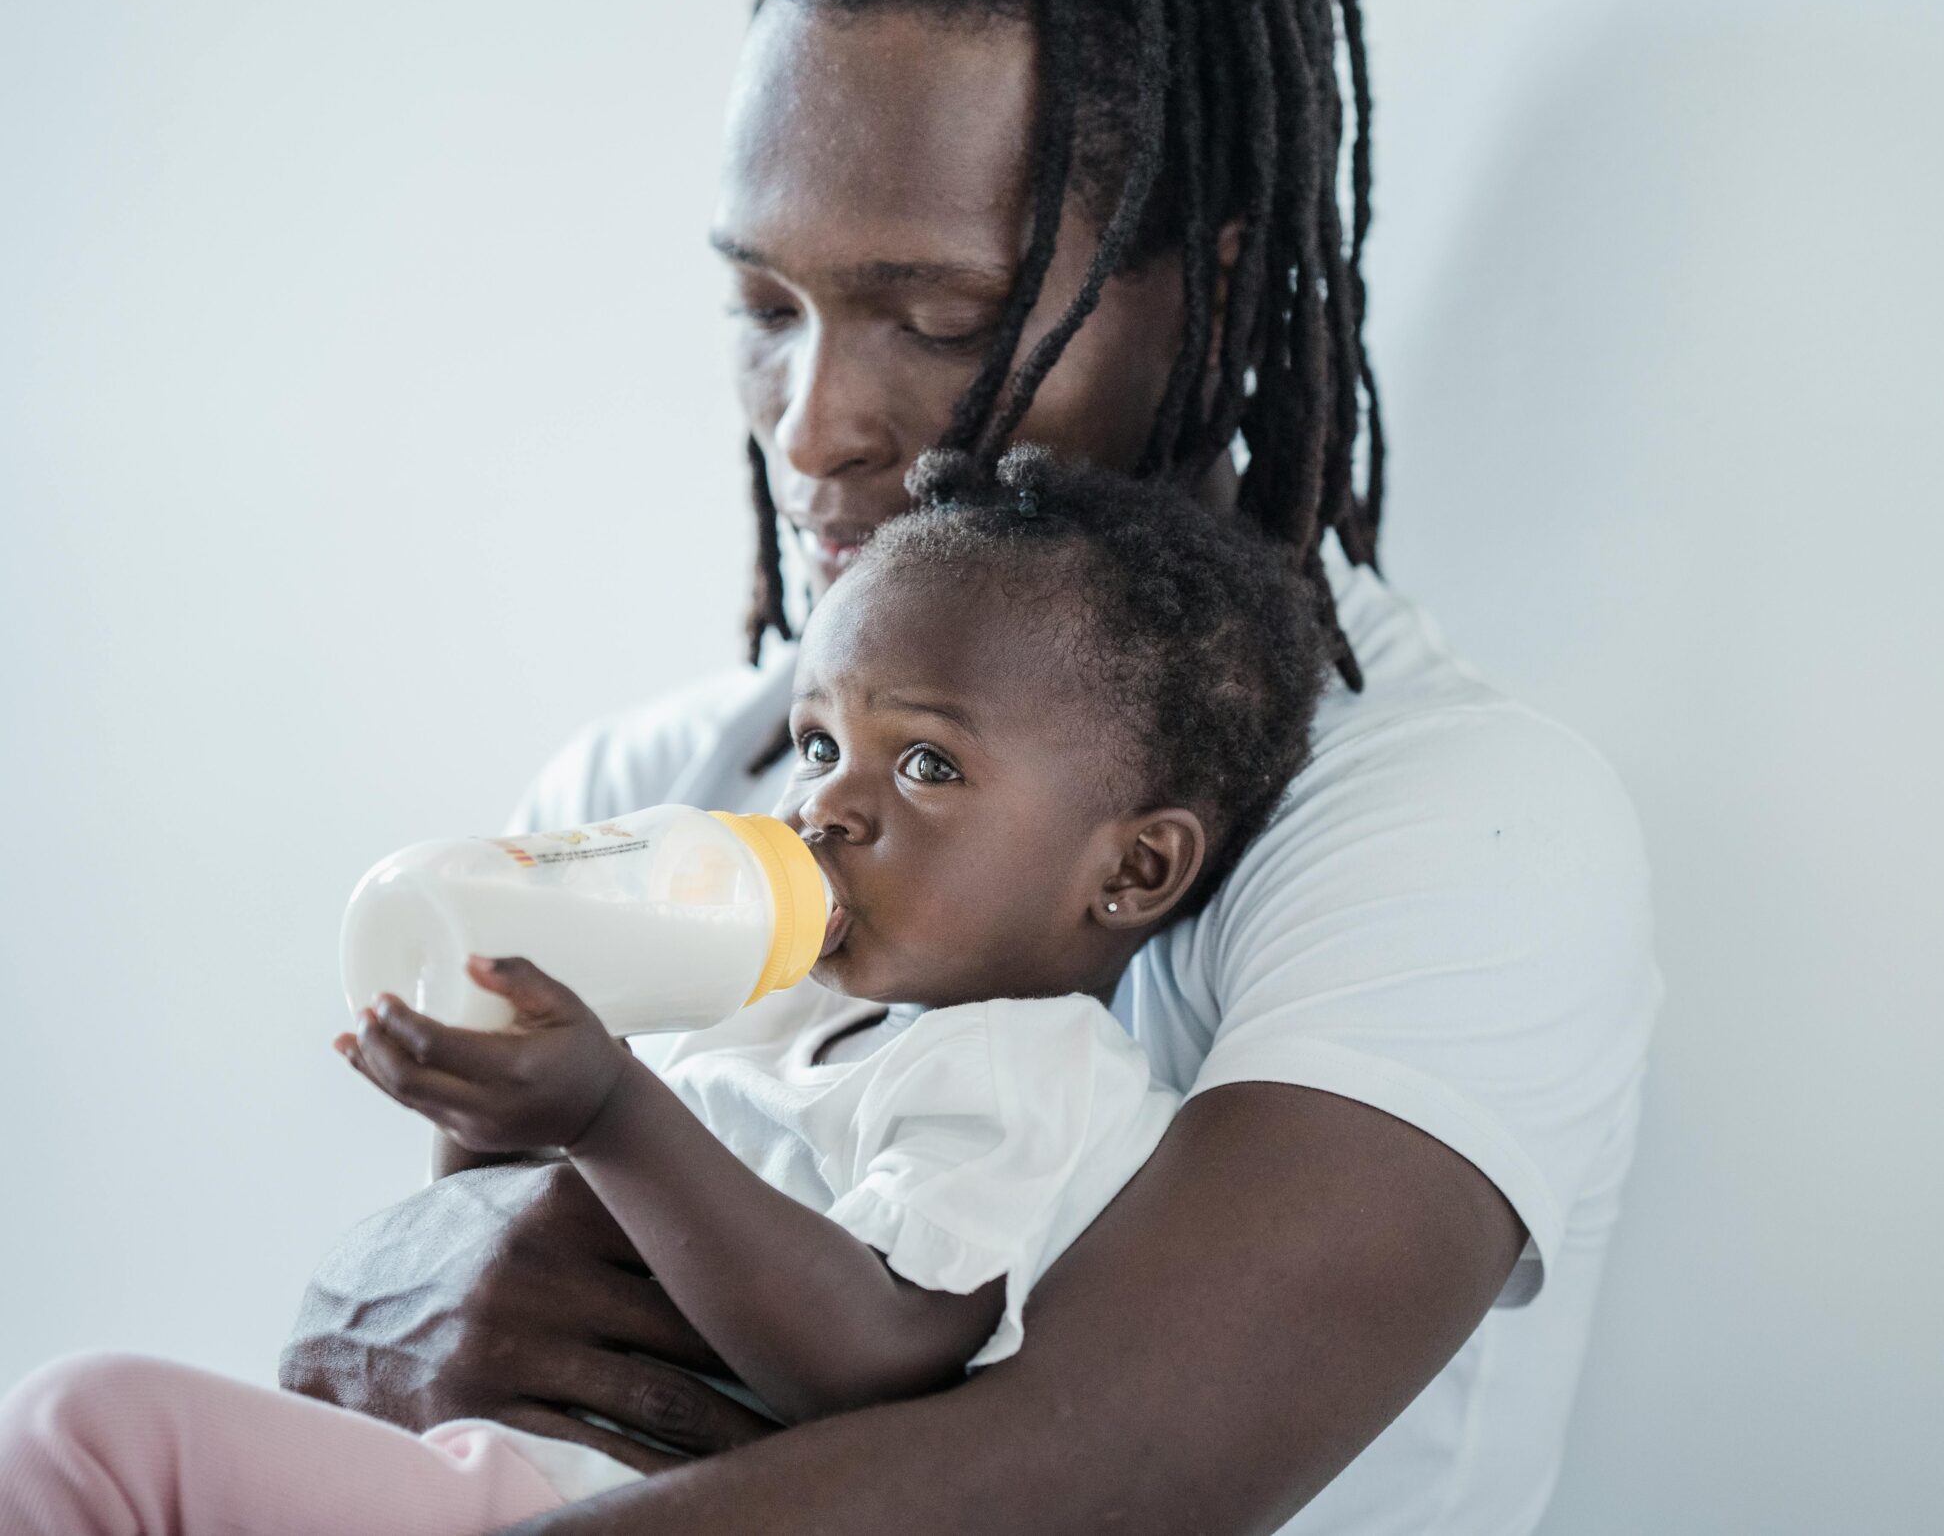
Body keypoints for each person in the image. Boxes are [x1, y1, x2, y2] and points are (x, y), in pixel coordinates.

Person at [279, 0, 1661, 1532]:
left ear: (1212, 293)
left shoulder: (1450, 830)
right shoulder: (653, 791)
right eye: (765, 305)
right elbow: (454, 1379)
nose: (812, 427)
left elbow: (1081, 1477)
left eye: (933, 322)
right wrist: (378, 1299)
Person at [0, 447, 1331, 1532]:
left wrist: (609, 1113)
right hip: (475, 1453)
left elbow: (876, 1349)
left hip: (579, 1497)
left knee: (90, 1436)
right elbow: (485, 1221)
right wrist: (489, 1073)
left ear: (1135, 867)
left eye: (924, 765)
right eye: (819, 742)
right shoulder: (779, 1003)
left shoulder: (1033, 1072)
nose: (826, 804)